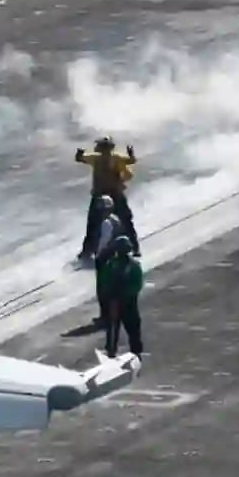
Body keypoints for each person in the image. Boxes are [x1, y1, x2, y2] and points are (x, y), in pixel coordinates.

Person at [76, 137, 140, 259]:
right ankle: (87, 251)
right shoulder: (100, 158)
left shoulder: (106, 158)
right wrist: (79, 154)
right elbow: (80, 159)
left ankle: (133, 246)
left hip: (109, 194)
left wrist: (79, 154)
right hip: (106, 194)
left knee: (122, 220)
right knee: (97, 223)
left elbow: (131, 160)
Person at [98, 236, 144, 358]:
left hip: (121, 301)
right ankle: (129, 351)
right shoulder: (132, 265)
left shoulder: (112, 265)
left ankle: (117, 351)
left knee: (118, 327)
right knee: (126, 328)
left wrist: (112, 293)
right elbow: (137, 285)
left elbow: (104, 281)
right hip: (123, 301)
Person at [93, 195, 125, 328]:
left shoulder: (106, 223)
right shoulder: (116, 219)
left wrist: (98, 255)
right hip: (115, 256)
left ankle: (105, 316)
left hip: (106, 257)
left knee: (103, 289)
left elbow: (103, 241)